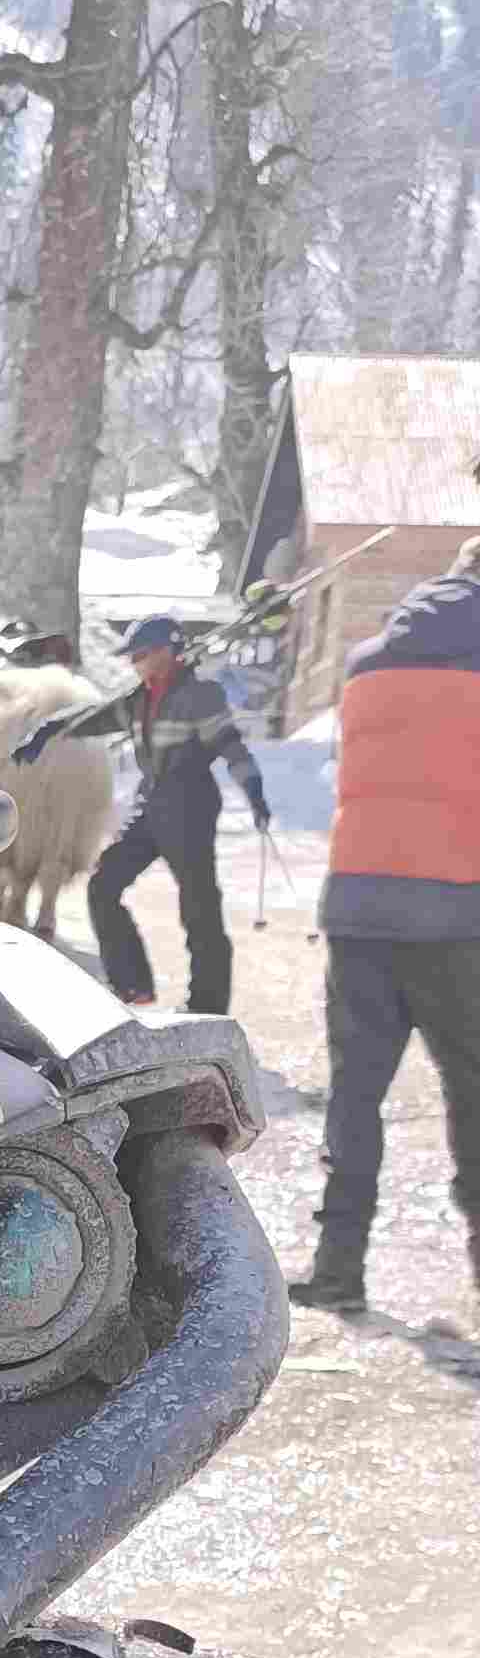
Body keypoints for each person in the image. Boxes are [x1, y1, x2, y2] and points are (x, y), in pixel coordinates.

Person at [288, 533, 480, 1317]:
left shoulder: (368, 664)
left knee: (356, 1093)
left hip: (360, 904)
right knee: (473, 1093)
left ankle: (338, 1270)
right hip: (459, 912)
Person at [72, 611, 272, 1017]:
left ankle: (208, 1005)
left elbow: (231, 747)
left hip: (190, 807)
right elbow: (89, 720)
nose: (134, 663)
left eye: (140, 654)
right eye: (132, 656)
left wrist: (254, 790)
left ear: (167, 652)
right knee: (103, 885)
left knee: (199, 908)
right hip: (152, 806)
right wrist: (44, 731)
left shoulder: (201, 695)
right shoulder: (138, 700)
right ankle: (133, 985)